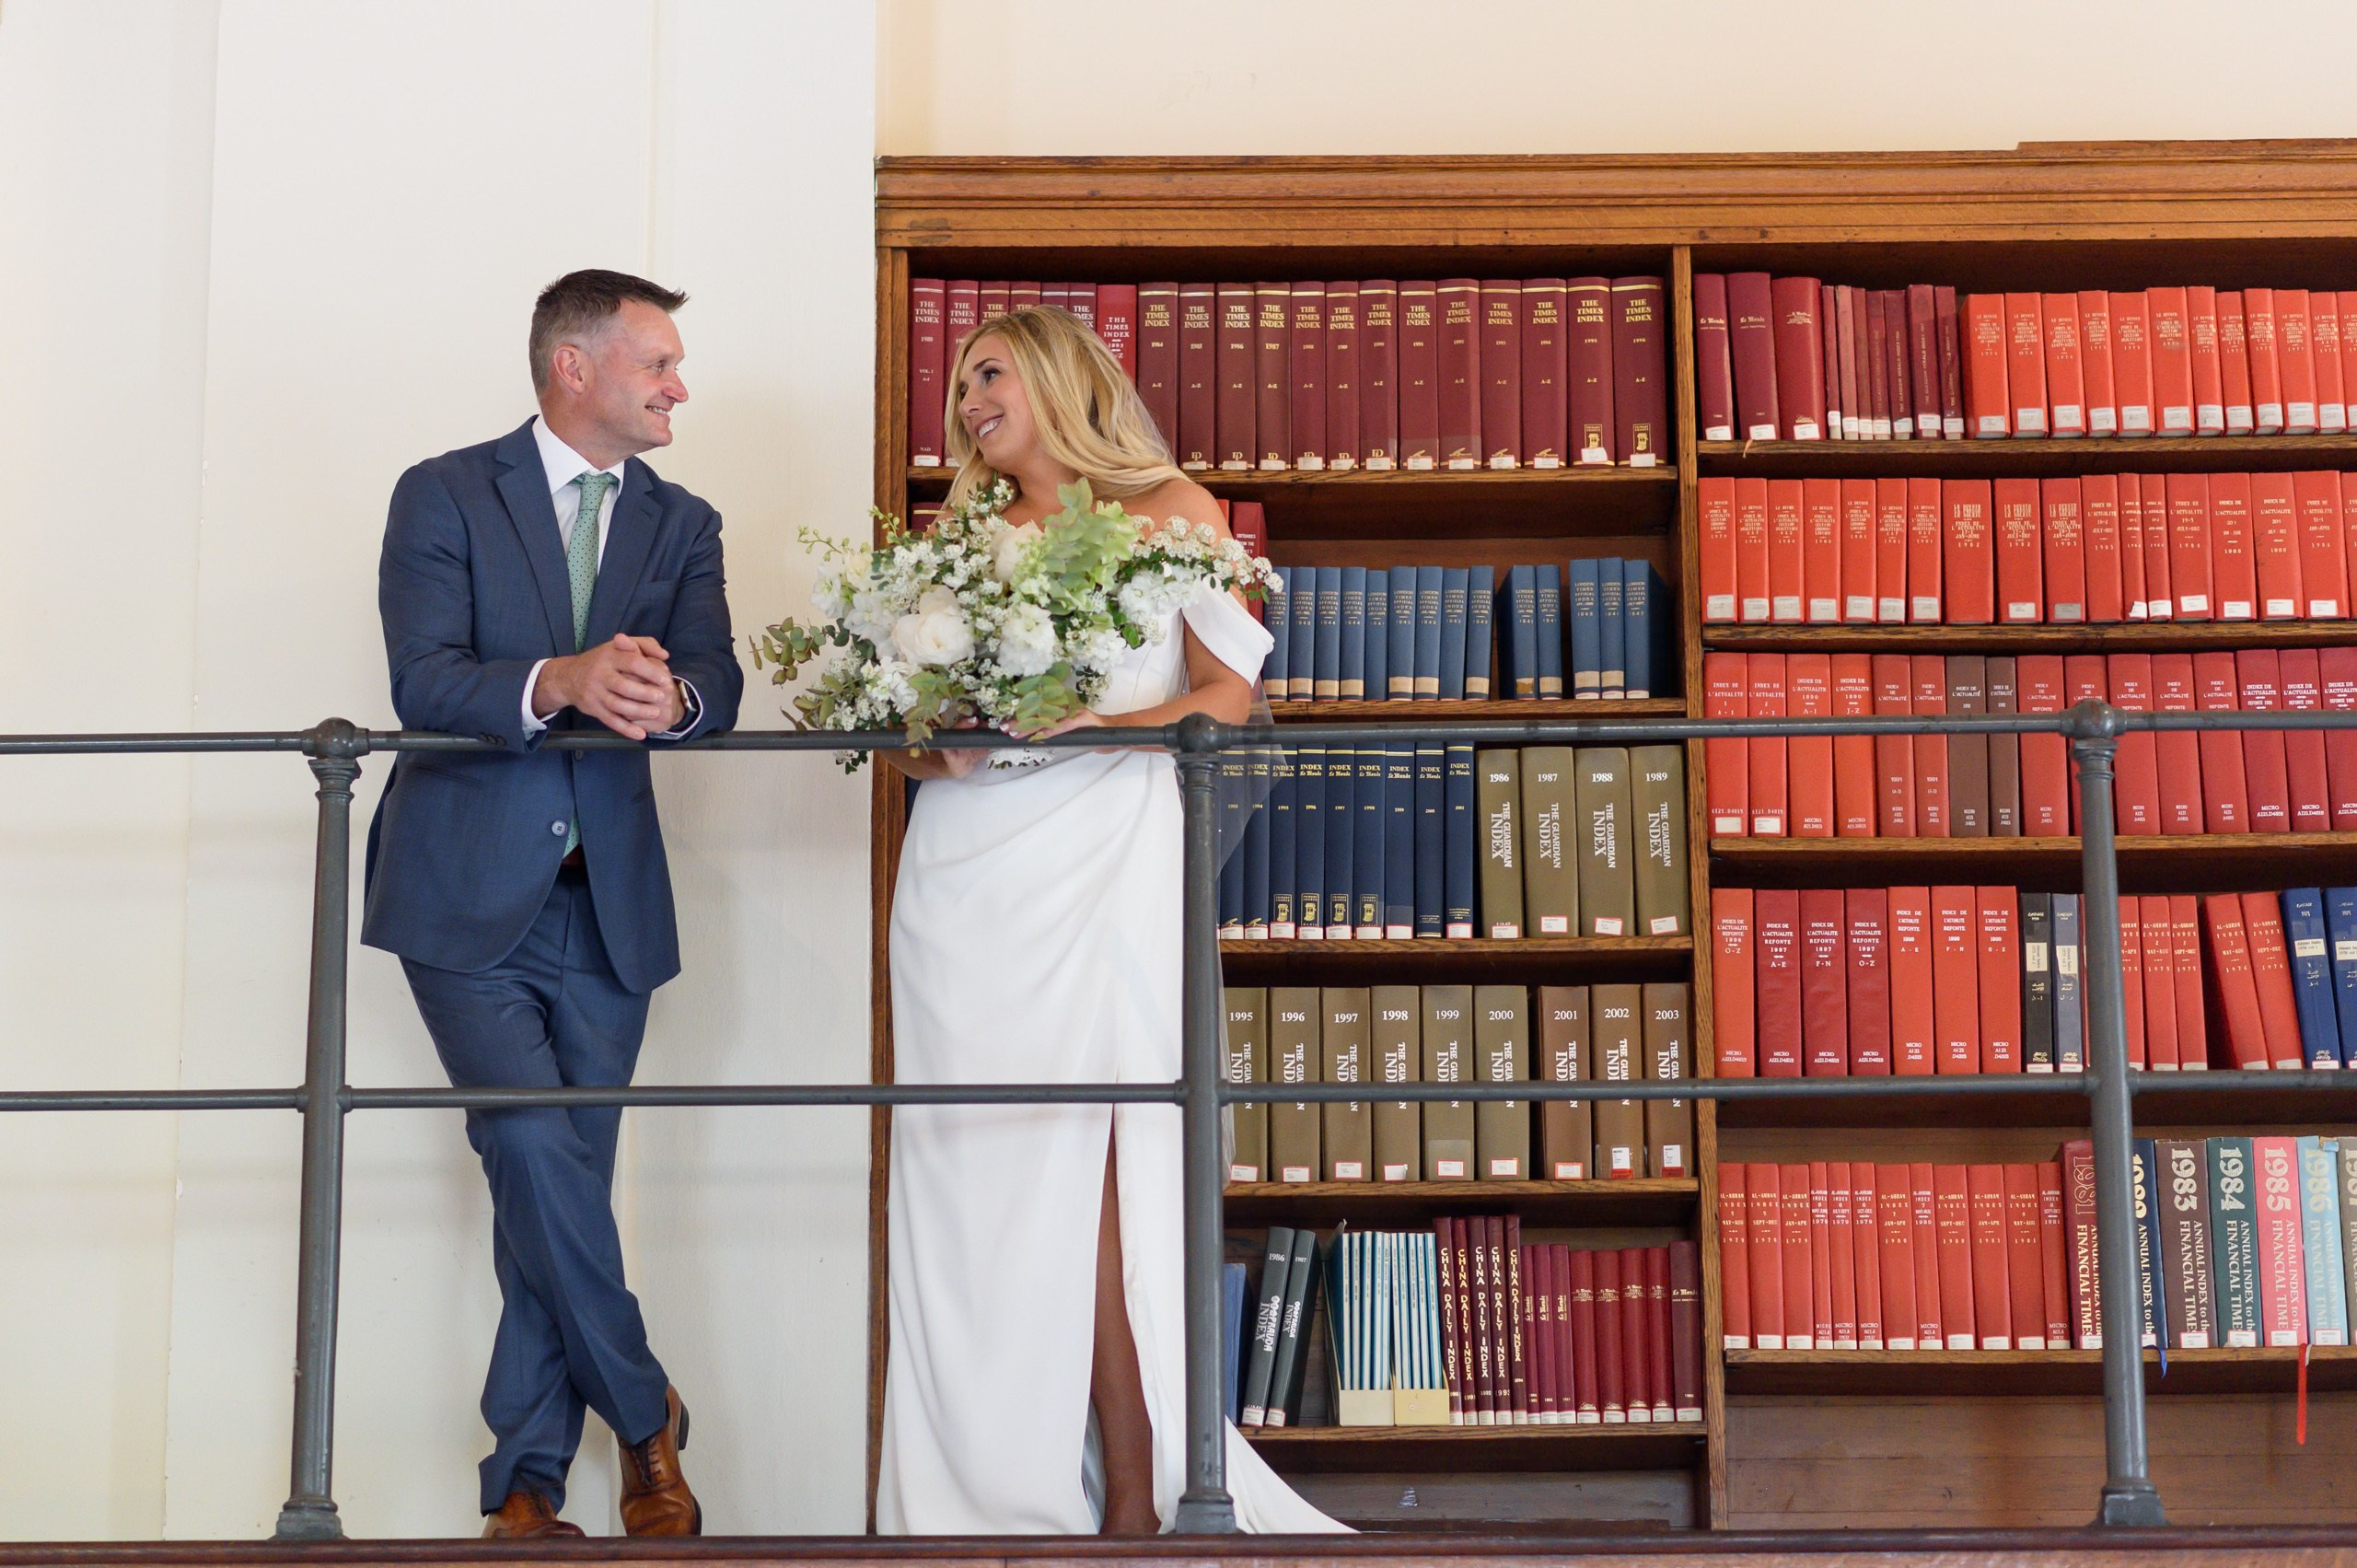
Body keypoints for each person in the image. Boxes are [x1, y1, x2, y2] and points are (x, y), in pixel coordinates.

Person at [876, 306, 1343, 1535]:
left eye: (987, 375)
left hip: (1108, 862)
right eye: (959, 385)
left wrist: (1091, 727)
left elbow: (1225, 702)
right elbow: (914, 751)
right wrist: (948, 746)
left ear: (1057, 376)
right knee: (980, 1179)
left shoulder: (1178, 512)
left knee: (1108, 1175)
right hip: (966, 887)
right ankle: (988, 1488)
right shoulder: (956, 536)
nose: (967, 402)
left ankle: (1138, 1493)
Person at [362, 270, 741, 1539]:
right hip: (463, 893)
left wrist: (669, 703)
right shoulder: (446, 492)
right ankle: (645, 1419)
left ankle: (524, 1481)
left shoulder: (684, 522)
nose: (679, 386)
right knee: (532, 1145)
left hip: (611, 905)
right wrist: (563, 681)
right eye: (659, 364)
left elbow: (717, 683)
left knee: (560, 1176)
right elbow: (425, 679)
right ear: (574, 367)